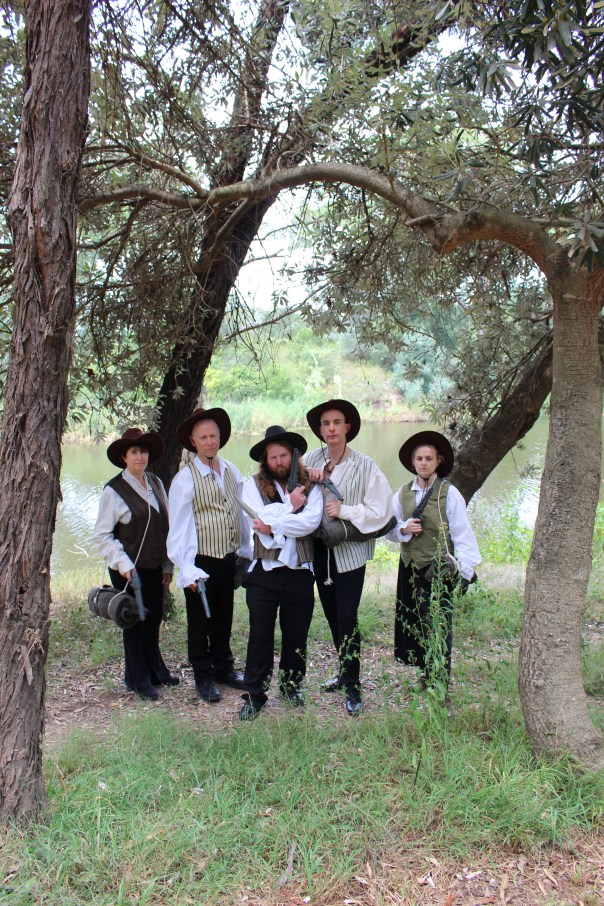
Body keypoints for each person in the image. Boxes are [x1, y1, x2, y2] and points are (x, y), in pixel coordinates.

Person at [304, 399, 393, 716]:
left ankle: (353, 684)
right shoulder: (311, 459)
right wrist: (305, 476)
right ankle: (343, 671)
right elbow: (289, 485)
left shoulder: (365, 465)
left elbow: (382, 511)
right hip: (320, 553)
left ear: (347, 427)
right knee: (331, 615)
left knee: (347, 617)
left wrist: (345, 510)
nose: (331, 429)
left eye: (337, 423)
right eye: (326, 424)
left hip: (350, 555)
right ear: (320, 430)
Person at [239, 426, 323, 721]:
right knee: (260, 635)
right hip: (265, 572)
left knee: (296, 633)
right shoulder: (252, 486)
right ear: (266, 460)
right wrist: (291, 507)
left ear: (293, 456)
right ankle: (254, 694)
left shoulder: (310, 484)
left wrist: (275, 524)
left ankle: (291, 686)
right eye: (273, 457)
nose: (278, 461)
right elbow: (259, 525)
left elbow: (310, 523)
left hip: (300, 571)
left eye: (283, 455)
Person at [389, 430, 480, 701]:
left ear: (438, 461)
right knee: (417, 624)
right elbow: (389, 529)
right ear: (413, 462)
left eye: (429, 458)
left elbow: (463, 535)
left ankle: (441, 687)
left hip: (438, 570)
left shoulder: (449, 494)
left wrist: (465, 573)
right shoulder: (403, 493)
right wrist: (404, 528)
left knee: (439, 626)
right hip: (409, 567)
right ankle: (426, 676)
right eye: (419, 458)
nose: (424, 463)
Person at [167, 407, 248, 703]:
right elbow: (179, 526)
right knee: (201, 621)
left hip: (227, 558)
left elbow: (241, 512)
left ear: (220, 437)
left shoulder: (231, 470)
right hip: (201, 561)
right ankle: (203, 676)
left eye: (213, 436)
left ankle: (224, 668)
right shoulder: (185, 480)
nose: (210, 442)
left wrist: (245, 550)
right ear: (193, 441)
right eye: (203, 437)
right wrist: (186, 567)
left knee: (223, 617)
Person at [93, 428, 178, 702]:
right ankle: (137, 679)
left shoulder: (156, 482)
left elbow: (167, 527)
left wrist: (167, 565)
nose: (140, 456)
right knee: (135, 621)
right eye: (134, 452)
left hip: (154, 566)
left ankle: (156, 671)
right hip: (127, 569)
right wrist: (123, 564)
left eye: (143, 451)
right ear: (124, 457)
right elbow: (102, 536)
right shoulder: (114, 490)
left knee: (153, 618)